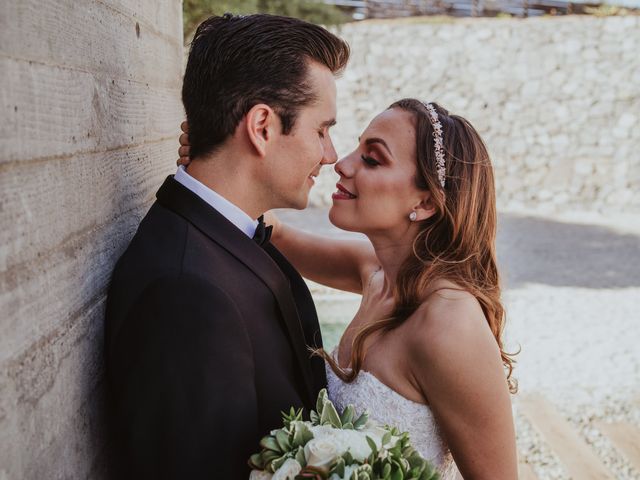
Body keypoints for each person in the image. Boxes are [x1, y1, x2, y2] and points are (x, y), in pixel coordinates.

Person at [179, 99, 519, 478]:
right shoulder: (374, 273)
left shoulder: (449, 324)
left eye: (372, 159)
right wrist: (221, 158)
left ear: (424, 202)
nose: (342, 163)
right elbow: (273, 231)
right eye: (357, 147)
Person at [105, 14, 349, 479]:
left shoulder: (226, 235)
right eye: (322, 130)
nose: (331, 154)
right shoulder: (184, 294)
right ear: (261, 126)